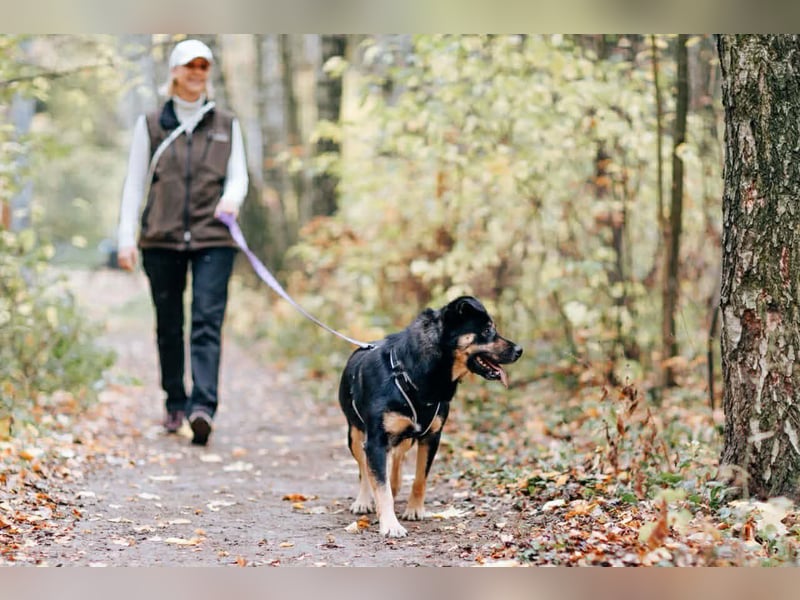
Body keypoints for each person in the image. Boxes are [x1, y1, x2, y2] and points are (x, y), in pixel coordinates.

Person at [117, 39, 248, 446]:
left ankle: (203, 407)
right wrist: (126, 237)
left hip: (213, 238)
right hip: (161, 238)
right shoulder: (153, 123)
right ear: (174, 71)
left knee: (207, 322)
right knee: (170, 325)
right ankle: (175, 400)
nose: (196, 72)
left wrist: (232, 198)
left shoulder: (226, 123)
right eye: (189, 65)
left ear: (208, 73)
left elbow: (239, 175)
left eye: (203, 66)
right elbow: (135, 183)